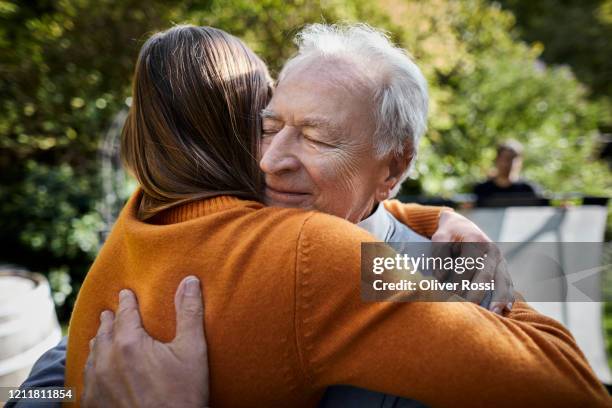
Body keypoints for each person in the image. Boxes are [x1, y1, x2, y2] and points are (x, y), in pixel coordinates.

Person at [15, 24, 610, 407]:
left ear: (391, 167)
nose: (272, 162)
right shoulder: (199, 225)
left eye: (318, 140)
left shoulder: (427, 272)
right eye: (265, 127)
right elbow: (47, 382)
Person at [474, 140, 540, 206]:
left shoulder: (528, 190)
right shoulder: (481, 190)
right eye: (506, 158)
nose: (510, 163)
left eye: (513, 159)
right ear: (497, 160)